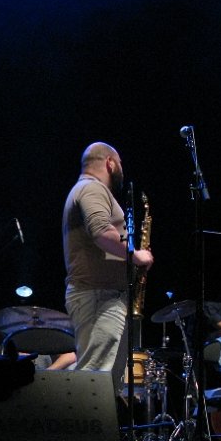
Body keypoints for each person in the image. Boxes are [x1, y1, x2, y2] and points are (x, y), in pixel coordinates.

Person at [62, 142, 154, 394]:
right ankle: (85, 432)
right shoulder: (92, 189)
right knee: (94, 379)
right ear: (110, 163)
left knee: (105, 383)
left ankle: (100, 431)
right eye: (120, 162)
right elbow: (102, 232)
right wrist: (137, 256)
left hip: (102, 296)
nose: (122, 168)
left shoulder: (86, 189)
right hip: (99, 297)